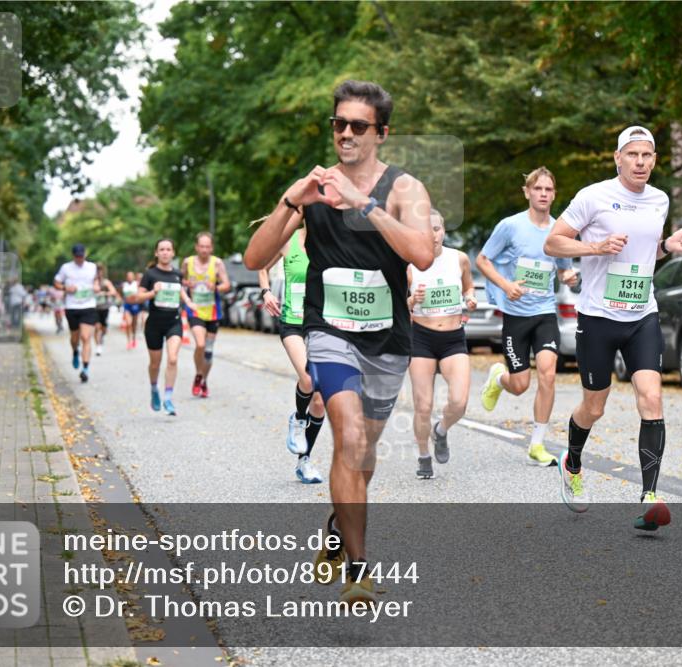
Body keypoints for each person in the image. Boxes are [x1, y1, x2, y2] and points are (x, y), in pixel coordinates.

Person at [244, 80, 433, 606]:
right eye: (338, 124)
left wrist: (363, 204)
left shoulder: (404, 189)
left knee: (363, 453)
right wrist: (291, 201)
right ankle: (359, 569)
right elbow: (256, 258)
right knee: (347, 437)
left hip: (388, 340)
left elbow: (421, 253)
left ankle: (336, 528)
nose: (345, 133)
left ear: (381, 133)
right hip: (328, 333)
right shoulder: (314, 187)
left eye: (358, 126)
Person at [544, 125, 682, 530]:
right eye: (632, 154)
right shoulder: (593, 196)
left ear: (654, 160)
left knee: (652, 397)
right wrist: (594, 247)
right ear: (618, 158)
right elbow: (553, 242)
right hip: (597, 316)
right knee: (594, 406)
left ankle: (650, 498)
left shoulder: (659, 200)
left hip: (642, 314)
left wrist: (668, 247)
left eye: (647, 155)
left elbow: (648, 250)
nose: (640, 162)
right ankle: (572, 462)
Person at [476, 167, 579, 466]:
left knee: (548, 373)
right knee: (520, 385)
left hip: (545, 312)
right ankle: (499, 378)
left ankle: (537, 444)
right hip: (516, 316)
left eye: (548, 189)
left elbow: (563, 269)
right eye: (538, 189)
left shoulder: (559, 230)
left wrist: (568, 277)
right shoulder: (510, 226)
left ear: (554, 194)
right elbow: (483, 260)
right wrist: (506, 285)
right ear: (527, 192)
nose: (543, 194)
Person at [407, 209, 476, 479]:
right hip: (421, 338)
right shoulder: (410, 264)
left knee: (459, 402)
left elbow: (468, 287)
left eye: (436, 229)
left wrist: (470, 298)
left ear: (443, 231)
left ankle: (441, 430)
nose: (432, 235)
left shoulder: (458, 259)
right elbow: (397, 305)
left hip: (452, 337)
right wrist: (412, 300)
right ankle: (424, 456)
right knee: (423, 405)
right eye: (426, 229)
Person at [258, 224, 326, 484]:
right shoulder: (288, 240)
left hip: (322, 325)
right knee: (308, 379)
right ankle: (298, 419)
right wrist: (266, 292)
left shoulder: (331, 240)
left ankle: (304, 460)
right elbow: (261, 265)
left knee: (320, 401)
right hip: (293, 323)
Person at [126, 238, 193, 416]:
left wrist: (188, 302)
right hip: (154, 324)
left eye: (168, 249)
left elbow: (181, 290)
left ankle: (168, 398)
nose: (165, 252)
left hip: (174, 322)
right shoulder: (150, 274)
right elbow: (138, 297)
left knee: (173, 359)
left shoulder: (178, 274)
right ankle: (154, 388)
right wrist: (153, 292)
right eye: (161, 249)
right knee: (155, 364)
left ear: (173, 253)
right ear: (156, 253)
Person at [182, 232, 231, 398]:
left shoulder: (217, 263)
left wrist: (216, 287)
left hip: (213, 311)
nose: (204, 250)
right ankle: (198, 375)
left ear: (211, 248)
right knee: (200, 344)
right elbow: (179, 281)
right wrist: (186, 283)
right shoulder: (187, 262)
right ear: (196, 247)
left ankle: (203, 380)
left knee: (208, 351)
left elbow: (227, 285)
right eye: (201, 246)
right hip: (195, 310)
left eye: (207, 247)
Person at [53, 244, 98, 383]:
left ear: (85, 254)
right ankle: (75, 351)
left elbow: (96, 280)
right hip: (72, 306)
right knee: (75, 338)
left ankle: (85, 369)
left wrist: (96, 286)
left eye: (82, 256)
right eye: (77, 256)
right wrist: (65, 288)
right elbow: (56, 283)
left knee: (86, 337)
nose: (80, 259)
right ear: (73, 256)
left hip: (88, 306)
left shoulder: (92, 267)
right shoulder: (66, 268)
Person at [93, 264, 119, 356]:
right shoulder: (92, 282)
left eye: (100, 271)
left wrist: (104, 293)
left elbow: (114, 292)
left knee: (103, 328)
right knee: (97, 327)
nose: (98, 273)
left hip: (104, 307)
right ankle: (98, 346)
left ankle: (102, 337)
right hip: (94, 308)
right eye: (97, 271)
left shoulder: (106, 282)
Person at [121, 271, 142, 349]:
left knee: (134, 324)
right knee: (128, 323)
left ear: (133, 277)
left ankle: (133, 338)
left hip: (135, 305)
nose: (129, 277)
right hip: (127, 305)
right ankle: (128, 341)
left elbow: (140, 293)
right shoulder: (124, 285)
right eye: (128, 276)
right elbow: (122, 295)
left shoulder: (137, 284)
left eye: (131, 276)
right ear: (126, 277)